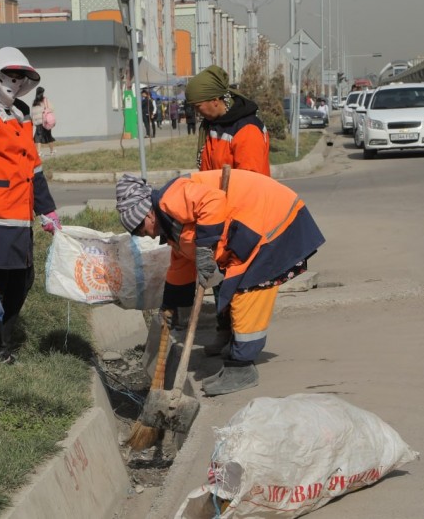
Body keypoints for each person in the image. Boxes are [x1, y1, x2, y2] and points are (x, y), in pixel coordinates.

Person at [115, 170, 325, 396]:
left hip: (271, 219)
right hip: (250, 228)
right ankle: (235, 350)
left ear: (148, 215)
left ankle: (242, 368)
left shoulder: (170, 198)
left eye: (140, 229)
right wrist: (172, 307)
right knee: (232, 288)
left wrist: (205, 248)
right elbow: (181, 265)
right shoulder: (170, 225)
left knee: (248, 291)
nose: (144, 235)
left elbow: (213, 200)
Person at [0, 47, 62, 364]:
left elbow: (32, 166)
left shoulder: (18, 112)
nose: (15, 83)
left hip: (19, 216)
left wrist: (47, 209)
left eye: (21, 78)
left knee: (22, 281)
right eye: (10, 76)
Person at [184, 65, 272, 351]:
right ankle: (225, 330)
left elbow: (251, 182)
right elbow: (208, 171)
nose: (197, 113)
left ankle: (242, 344)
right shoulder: (212, 127)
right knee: (219, 278)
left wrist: (231, 218)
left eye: (199, 107)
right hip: (217, 214)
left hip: (244, 217)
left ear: (215, 100)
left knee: (241, 282)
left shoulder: (247, 130)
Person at [31, 86, 56, 157]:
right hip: (45, 121)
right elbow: (51, 108)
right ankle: (52, 151)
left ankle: (38, 152)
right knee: (48, 136)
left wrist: (33, 121)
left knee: (38, 137)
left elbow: (32, 112)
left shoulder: (34, 102)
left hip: (37, 122)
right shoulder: (45, 100)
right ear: (42, 92)